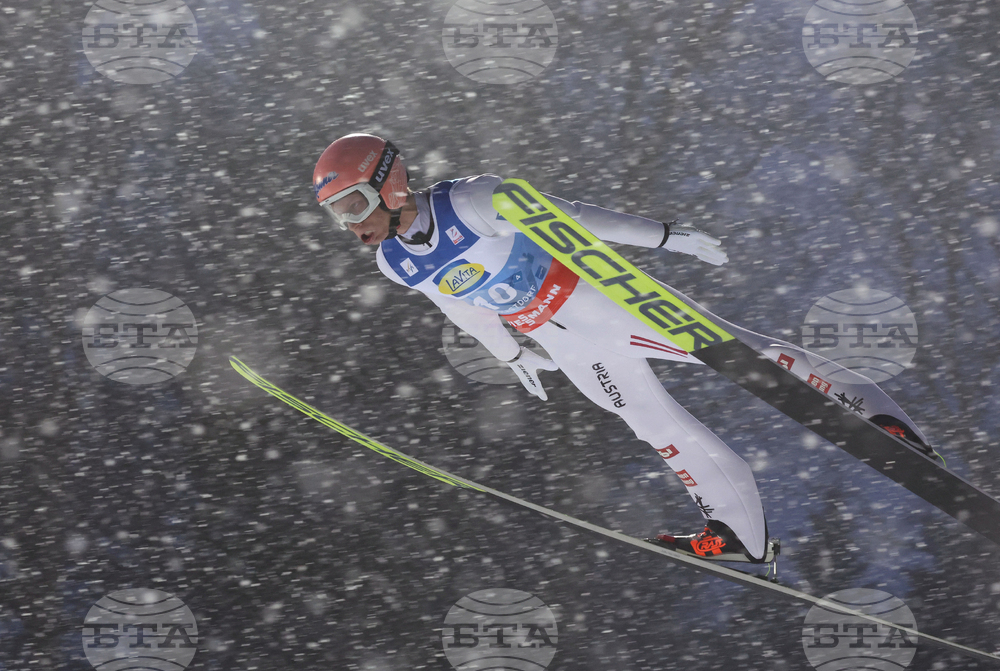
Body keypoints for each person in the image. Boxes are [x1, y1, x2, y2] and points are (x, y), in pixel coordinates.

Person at [312, 133, 935, 564]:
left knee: (748, 356)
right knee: (659, 430)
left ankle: (884, 422)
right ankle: (740, 536)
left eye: (355, 203)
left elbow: (575, 219)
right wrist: (509, 354)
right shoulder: (395, 261)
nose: (351, 224)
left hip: (603, 302)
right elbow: (457, 302)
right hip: (564, 340)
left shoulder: (474, 202)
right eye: (337, 213)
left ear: (390, 184)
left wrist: (665, 237)